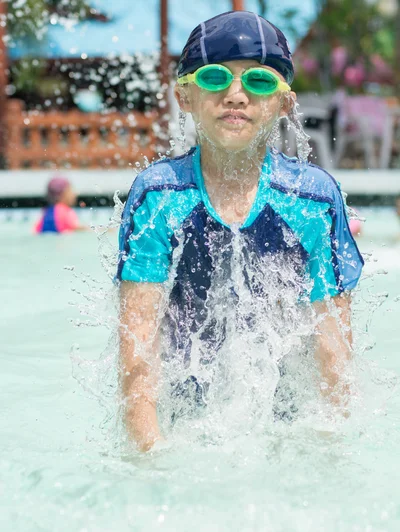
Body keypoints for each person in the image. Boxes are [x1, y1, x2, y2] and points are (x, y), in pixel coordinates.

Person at [117, 11, 364, 452]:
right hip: (184, 419)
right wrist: (151, 460)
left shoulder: (314, 200)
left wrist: (330, 453)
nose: (236, 95)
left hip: (283, 423)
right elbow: (137, 352)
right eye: (215, 78)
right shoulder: (158, 197)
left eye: (260, 82)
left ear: (285, 103)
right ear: (185, 96)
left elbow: (334, 357)